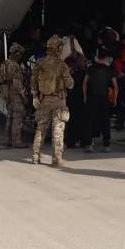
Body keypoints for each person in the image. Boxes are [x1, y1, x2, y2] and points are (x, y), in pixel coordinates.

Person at [30, 35, 74, 167]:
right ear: (58, 48)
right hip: (59, 100)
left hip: (44, 100)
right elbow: (70, 84)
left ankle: (35, 157)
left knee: (40, 129)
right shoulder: (62, 65)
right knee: (58, 130)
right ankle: (56, 159)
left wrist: (35, 95)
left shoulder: (39, 63)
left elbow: (33, 82)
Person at [83, 49, 116, 153]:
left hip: (92, 97)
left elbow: (84, 83)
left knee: (89, 121)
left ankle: (89, 144)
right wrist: (115, 99)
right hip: (104, 98)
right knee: (105, 121)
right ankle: (106, 145)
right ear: (106, 58)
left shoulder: (91, 68)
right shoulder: (109, 69)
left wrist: (84, 96)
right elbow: (115, 86)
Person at [0, 43, 28, 148]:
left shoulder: (4, 64)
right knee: (17, 117)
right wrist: (23, 95)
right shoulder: (15, 66)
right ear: (17, 54)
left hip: (7, 94)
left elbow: (0, 80)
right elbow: (17, 83)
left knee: (9, 117)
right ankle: (17, 141)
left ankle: (7, 139)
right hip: (15, 95)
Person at [64, 53, 89, 150]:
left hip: (74, 99)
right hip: (80, 99)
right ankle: (81, 141)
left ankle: (72, 141)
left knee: (74, 121)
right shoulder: (85, 73)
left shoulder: (73, 73)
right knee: (80, 121)